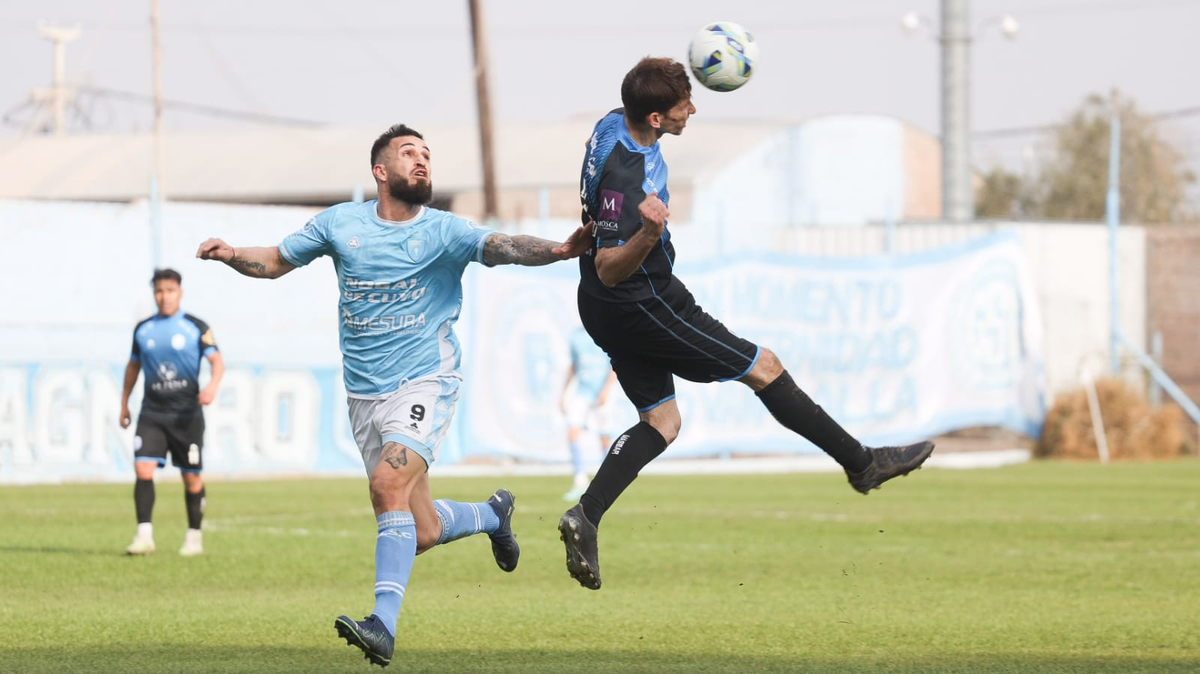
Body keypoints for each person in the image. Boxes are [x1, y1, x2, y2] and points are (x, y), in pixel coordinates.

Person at [196, 123, 593, 668]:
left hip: (426, 380)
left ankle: (382, 626)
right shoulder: (341, 224)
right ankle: (492, 515)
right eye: (410, 153)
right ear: (381, 171)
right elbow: (276, 261)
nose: (422, 161)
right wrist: (232, 252)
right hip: (365, 395)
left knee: (387, 485)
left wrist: (557, 249)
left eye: (428, 154)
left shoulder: (444, 230)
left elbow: (502, 246)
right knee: (421, 531)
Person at [559, 57, 935, 591]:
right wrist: (646, 233)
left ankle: (586, 515)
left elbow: (596, 219)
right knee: (764, 367)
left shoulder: (612, 123)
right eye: (683, 103)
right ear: (658, 118)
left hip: (602, 305)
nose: (693, 108)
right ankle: (862, 463)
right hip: (639, 297)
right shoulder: (629, 171)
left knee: (662, 423)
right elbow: (610, 266)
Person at [120, 268, 225, 557]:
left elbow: (217, 361)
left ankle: (194, 537)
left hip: (186, 416)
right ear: (154, 294)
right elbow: (133, 366)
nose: (164, 296)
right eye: (159, 291)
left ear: (180, 292)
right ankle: (144, 537)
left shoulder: (196, 326)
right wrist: (124, 402)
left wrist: (212, 387)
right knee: (143, 467)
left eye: (169, 290)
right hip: (152, 413)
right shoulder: (143, 329)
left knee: (191, 478)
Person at [559, 326, 619, 501]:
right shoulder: (576, 336)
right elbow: (574, 366)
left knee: (604, 438)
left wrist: (606, 390)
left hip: (603, 393)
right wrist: (563, 393)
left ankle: (607, 483)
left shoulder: (604, 331)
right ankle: (580, 480)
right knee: (572, 432)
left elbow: (614, 363)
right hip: (582, 392)